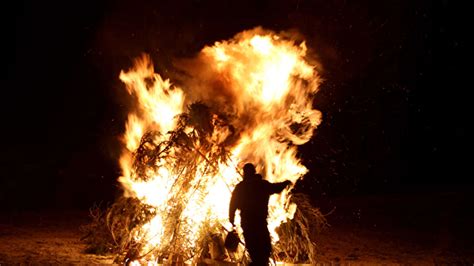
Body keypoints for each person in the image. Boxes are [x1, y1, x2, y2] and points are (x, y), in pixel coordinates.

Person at [229, 163, 292, 265]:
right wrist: (285, 183)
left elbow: (232, 205)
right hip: (260, 223)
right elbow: (276, 188)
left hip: (248, 224)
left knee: (253, 249)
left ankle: (257, 263)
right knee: (264, 248)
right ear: (254, 172)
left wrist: (231, 220)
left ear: (245, 173)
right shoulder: (262, 184)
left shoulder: (240, 187)